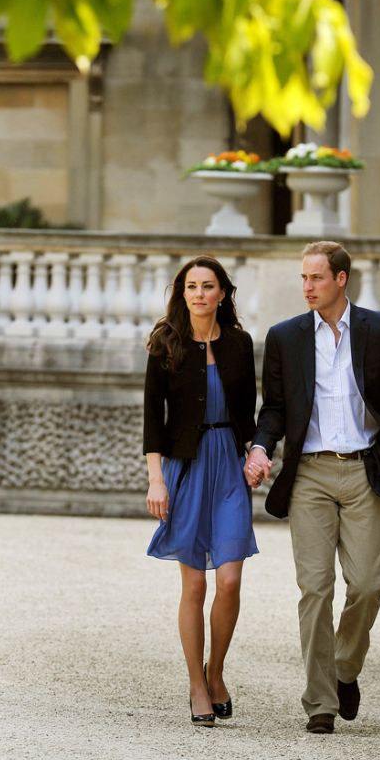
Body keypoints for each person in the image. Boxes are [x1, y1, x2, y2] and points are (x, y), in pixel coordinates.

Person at [245, 241, 380, 735]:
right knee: (315, 588)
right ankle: (320, 702)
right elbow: (274, 408)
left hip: (363, 471)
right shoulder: (285, 337)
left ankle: (344, 668)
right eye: (303, 278)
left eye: (316, 278)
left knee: (368, 585)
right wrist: (260, 448)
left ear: (341, 279)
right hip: (309, 475)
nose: (307, 287)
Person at [144, 256, 258, 727]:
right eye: (191, 286)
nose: (199, 294)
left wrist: (255, 453)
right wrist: (156, 479)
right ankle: (196, 684)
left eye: (207, 286)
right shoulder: (165, 343)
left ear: (222, 293)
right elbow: (153, 419)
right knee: (194, 584)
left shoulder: (239, 343)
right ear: (183, 293)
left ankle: (216, 671)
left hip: (228, 466)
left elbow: (248, 412)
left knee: (229, 579)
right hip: (185, 469)